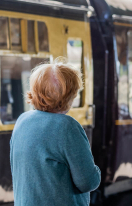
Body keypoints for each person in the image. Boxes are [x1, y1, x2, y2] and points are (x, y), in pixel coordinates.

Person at [10, 57, 101, 206]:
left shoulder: (22, 121)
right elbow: (87, 182)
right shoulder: (67, 127)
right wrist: (95, 170)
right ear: (70, 95)